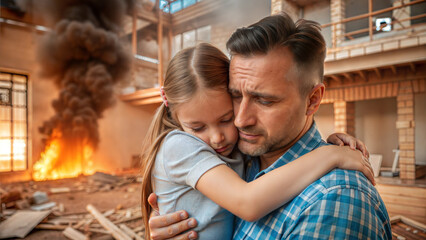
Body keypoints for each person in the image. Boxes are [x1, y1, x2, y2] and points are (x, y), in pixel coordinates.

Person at [147, 13, 392, 240]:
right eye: (235, 96)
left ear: (313, 100)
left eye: (265, 100)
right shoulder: (242, 157)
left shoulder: (335, 201)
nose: (241, 120)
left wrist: (330, 155)